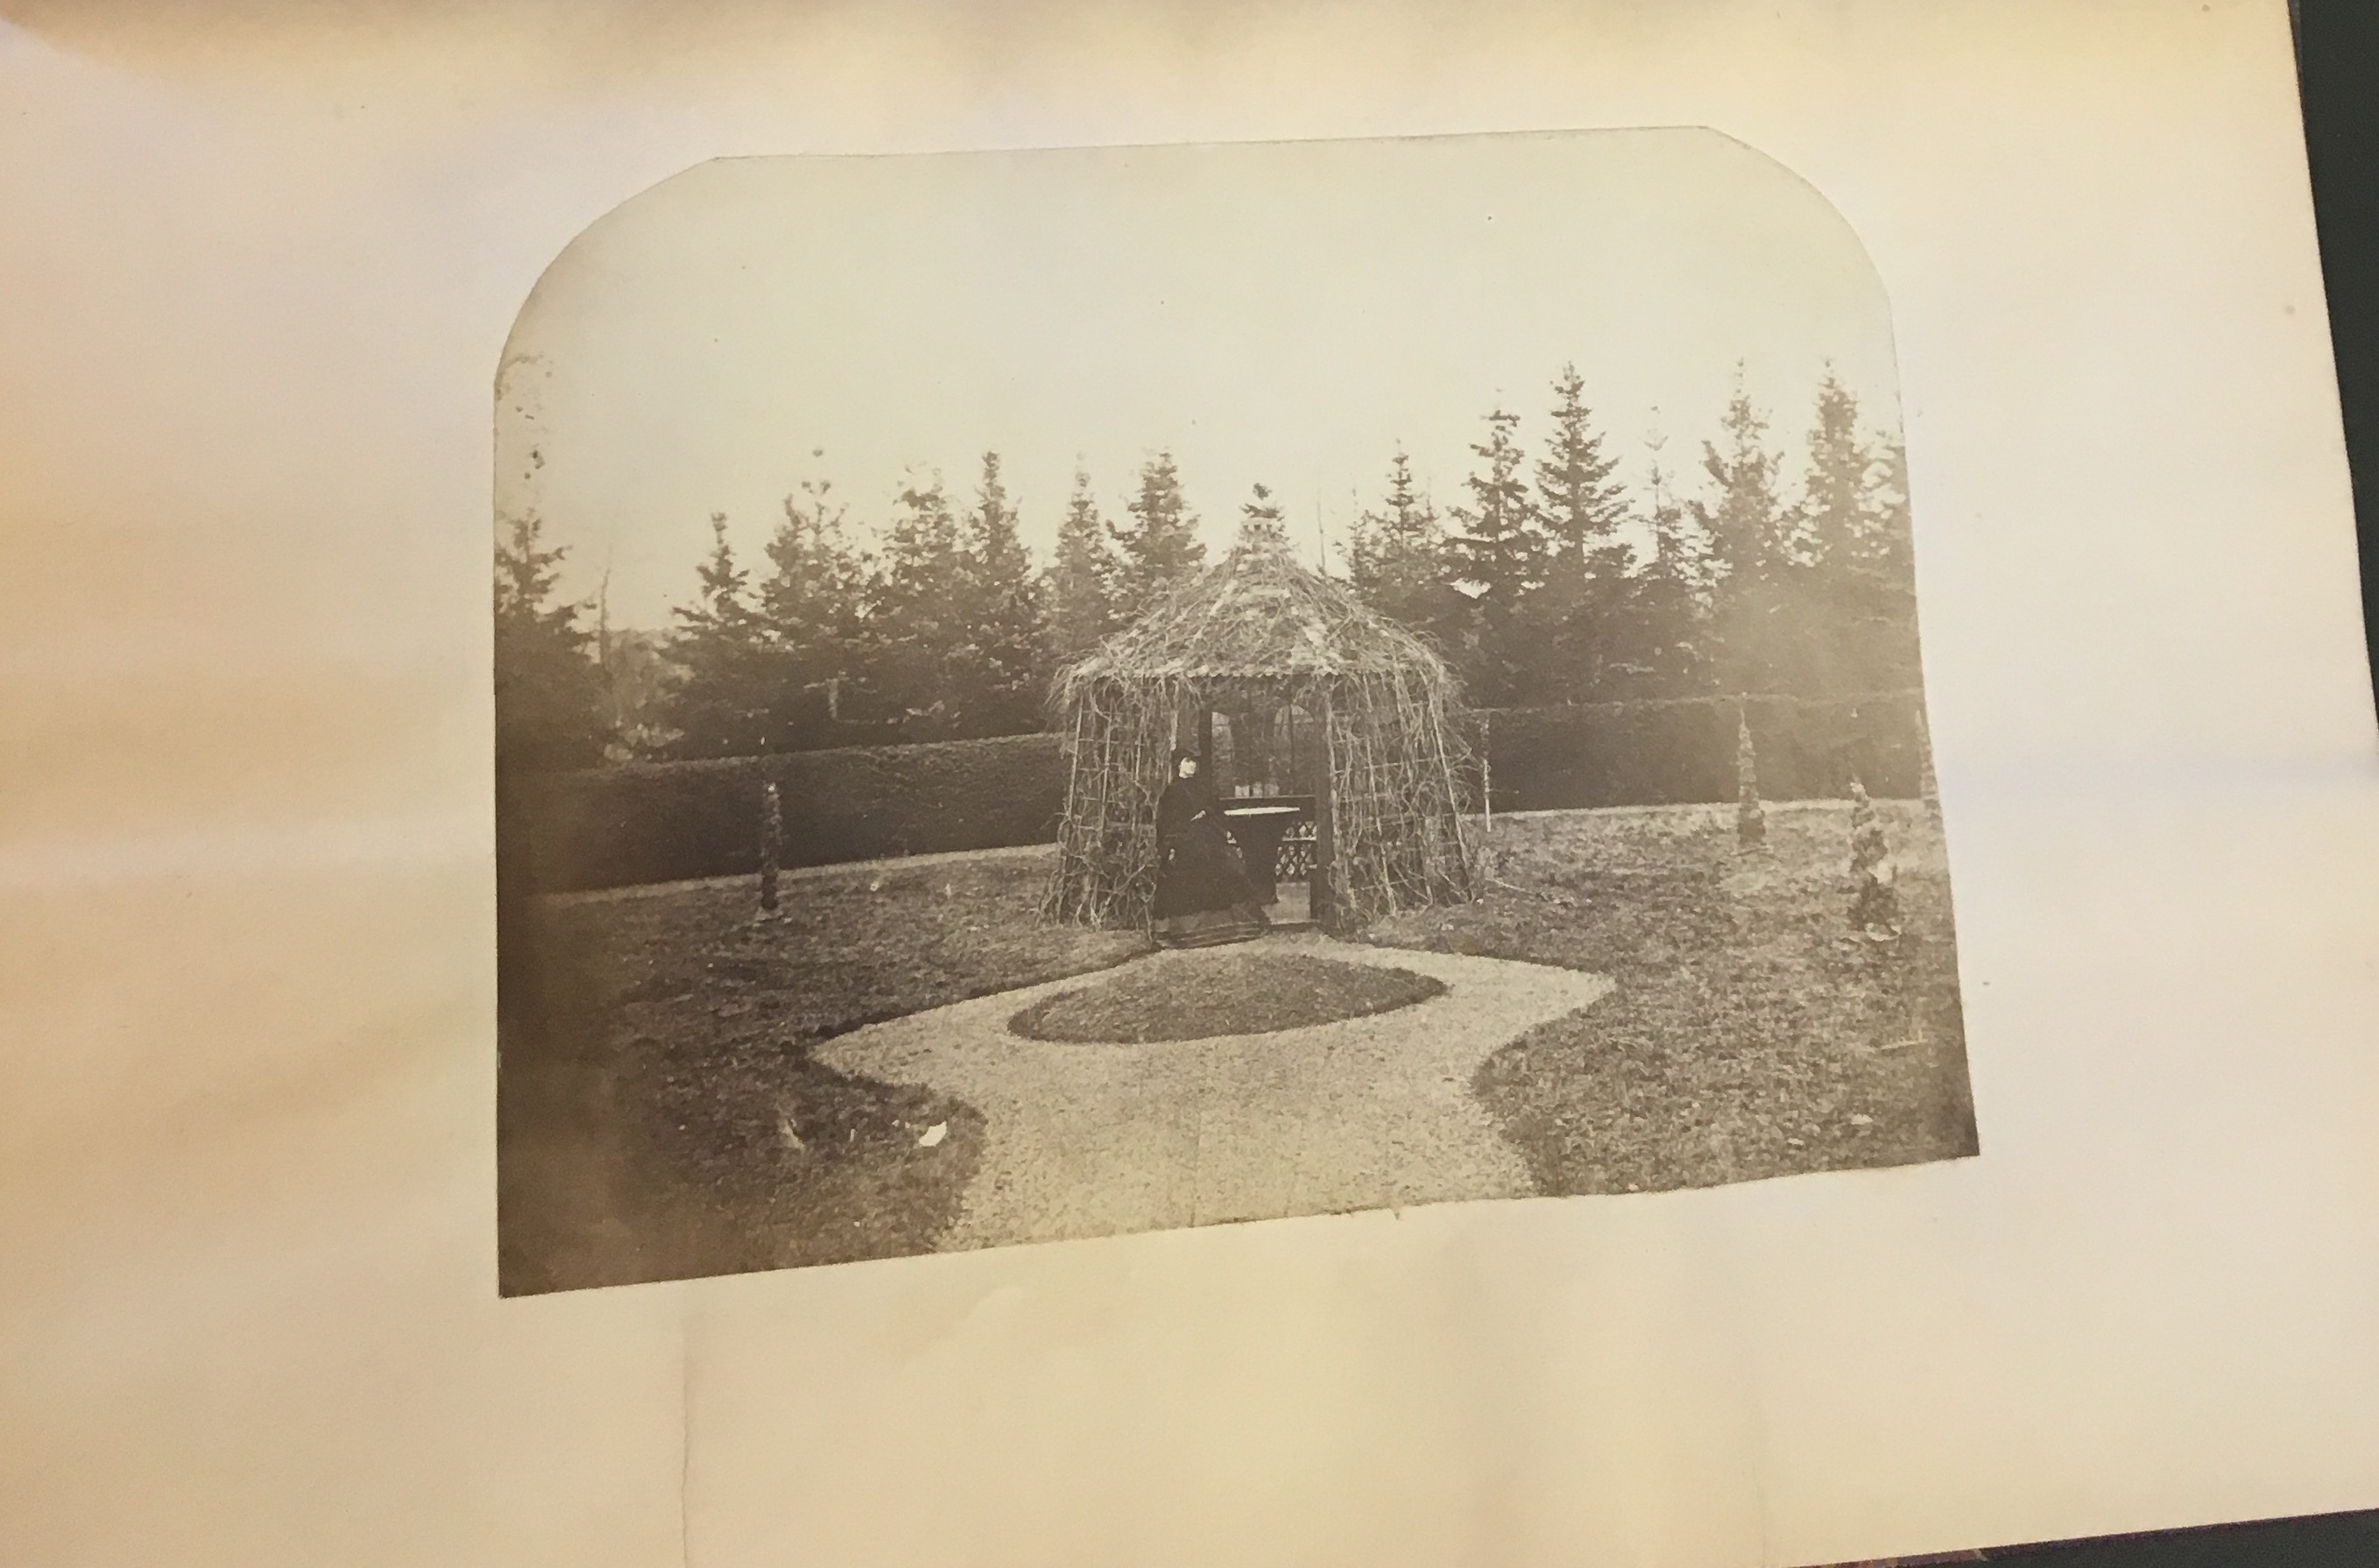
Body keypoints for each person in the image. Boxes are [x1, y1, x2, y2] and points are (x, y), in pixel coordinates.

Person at [1150, 748, 1270, 949]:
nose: (1192, 765)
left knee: (1230, 871)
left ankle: (1236, 927)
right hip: (1187, 842)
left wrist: (1207, 813)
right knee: (1193, 877)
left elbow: (1215, 807)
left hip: (1210, 838)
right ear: (1178, 764)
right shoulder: (1173, 791)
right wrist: (1175, 841)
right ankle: (1191, 932)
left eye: (1193, 761)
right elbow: (1169, 822)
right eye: (1187, 761)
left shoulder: (1201, 787)